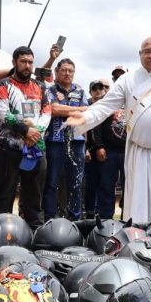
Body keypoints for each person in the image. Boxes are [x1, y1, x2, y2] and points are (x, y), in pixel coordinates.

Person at [67, 36, 151, 226]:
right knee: (141, 210)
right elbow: (106, 105)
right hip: (141, 154)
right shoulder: (127, 80)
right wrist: (85, 117)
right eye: (146, 51)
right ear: (140, 54)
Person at [0, 46, 51, 229]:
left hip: (36, 147)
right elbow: (3, 113)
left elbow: (47, 111)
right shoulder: (3, 84)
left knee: (34, 196)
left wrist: (36, 131)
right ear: (14, 62)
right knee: (3, 195)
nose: (27, 65)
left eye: (30, 62)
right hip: (9, 147)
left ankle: (35, 235)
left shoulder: (39, 86)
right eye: (23, 61)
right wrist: (25, 130)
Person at [43, 58, 89, 221]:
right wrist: (79, 109)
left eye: (71, 71)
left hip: (77, 143)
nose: (67, 73)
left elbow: (87, 114)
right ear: (57, 71)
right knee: (52, 182)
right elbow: (53, 109)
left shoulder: (81, 91)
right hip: (55, 142)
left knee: (76, 184)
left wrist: (70, 110)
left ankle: (75, 220)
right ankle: (49, 219)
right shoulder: (50, 90)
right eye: (64, 70)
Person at [92, 79, 127, 220]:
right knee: (106, 186)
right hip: (109, 151)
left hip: (129, 150)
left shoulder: (134, 97)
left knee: (130, 187)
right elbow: (97, 125)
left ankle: (128, 218)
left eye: (122, 76)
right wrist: (99, 146)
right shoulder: (107, 101)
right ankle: (106, 219)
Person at [84, 79, 109, 218]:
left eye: (100, 88)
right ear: (90, 91)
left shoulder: (109, 107)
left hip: (106, 150)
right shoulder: (85, 105)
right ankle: (89, 213)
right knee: (90, 183)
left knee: (104, 183)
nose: (98, 91)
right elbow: (84, 129)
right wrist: (85, 149)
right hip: (91, 151)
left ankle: (101, 213)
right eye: (95, 89)